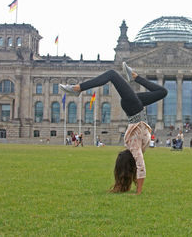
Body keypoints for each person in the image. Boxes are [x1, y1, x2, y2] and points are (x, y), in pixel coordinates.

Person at [60, 62, 167, 194]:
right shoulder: (134, 147)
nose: (122, 150)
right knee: (162, 92)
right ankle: (134, 76)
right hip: (135, 107)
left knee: (112, 74)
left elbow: (139, 165)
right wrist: (138, 192)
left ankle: (78, 88)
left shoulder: (135, 147)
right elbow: (141, 167)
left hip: (134, 108)